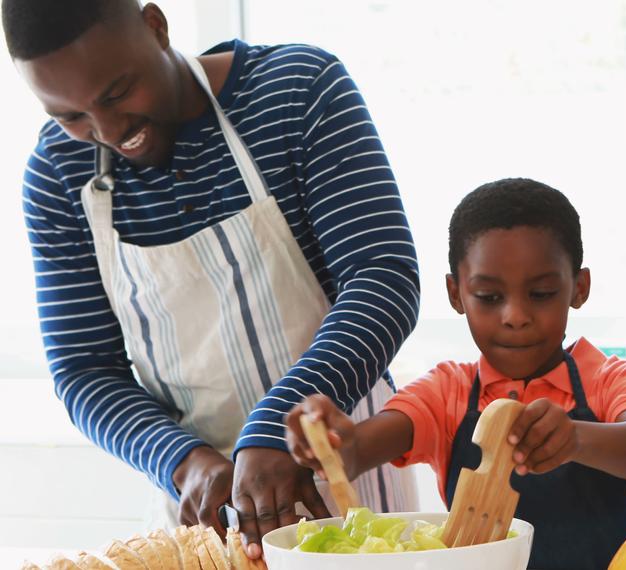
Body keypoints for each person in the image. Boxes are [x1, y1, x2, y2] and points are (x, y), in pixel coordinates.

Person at [6, 0, 420, 558]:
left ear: (155, 26)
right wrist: (182, 461)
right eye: (70, 116)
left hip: (348, 480)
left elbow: (382, 279)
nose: (107, 131)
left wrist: (274, 428)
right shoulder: (58, 175)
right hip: (204, 516)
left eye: (116, 93)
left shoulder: (296, 90)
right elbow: (84, 369)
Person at [285, 178, 626, 570]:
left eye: (540, 294)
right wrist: (334, 443)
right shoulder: (446, 391)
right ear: (456, 294)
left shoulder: (610, 379)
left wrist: (575, 438)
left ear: (579, 287)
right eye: (489, 298)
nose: (516, 317)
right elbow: (359, 450)